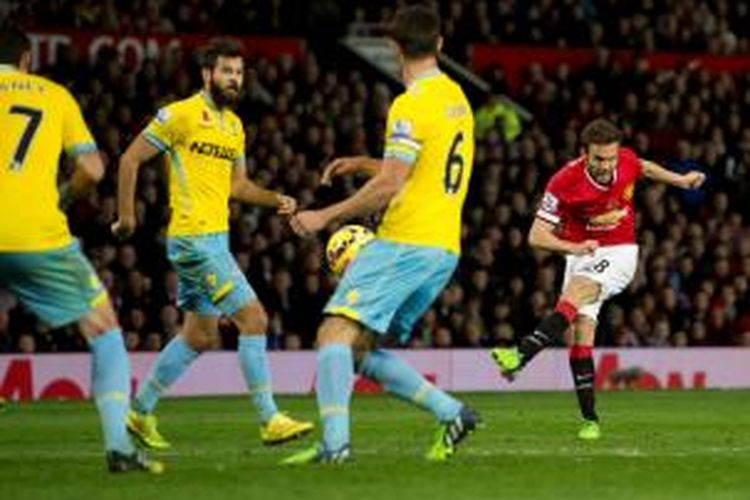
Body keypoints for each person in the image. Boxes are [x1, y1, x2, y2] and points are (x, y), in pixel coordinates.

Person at [284, 5, 478, 464]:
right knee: (359, 349)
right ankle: (452, 413)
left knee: (334, 333)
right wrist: (365, 163)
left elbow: (392, 184)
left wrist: (324, 215)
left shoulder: (409, 104)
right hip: (443, 248)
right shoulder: (456, 98)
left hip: (405, 242)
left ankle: (334, 447)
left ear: (394, 48)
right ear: (439, 45)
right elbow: (420, 171)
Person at [112, 38, 312, 450]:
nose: (234, 79)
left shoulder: (234, 126)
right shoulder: (179, 115)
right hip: (193, 238)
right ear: (207, 74)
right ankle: (269, 419)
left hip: (215, 239)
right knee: (253, 320)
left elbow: (238, 186)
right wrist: (127, 216)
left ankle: (139, 411)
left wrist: (276, 199)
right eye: (226, 71)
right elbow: (130, 159)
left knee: (200, 336)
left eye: (239, 72)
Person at [0, 27, 161, 473]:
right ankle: (119, 448)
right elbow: (91, 167)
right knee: (104, 330)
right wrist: (63, 198)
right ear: (27, 59)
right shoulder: (53, 95)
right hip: (36, 233)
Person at [491, 118, 706, 439]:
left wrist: (681, 180)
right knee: (579, 334)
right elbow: (536, 236)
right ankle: (590, 420)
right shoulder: (564, 181)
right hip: (580, 253)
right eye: (598, 159)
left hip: (619, 252)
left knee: (577, 290)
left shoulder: (627, 160)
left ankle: (521, 354)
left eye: (611, 158)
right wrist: (573, 246)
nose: (606, 165)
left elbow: (644, 167)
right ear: (584, 154)